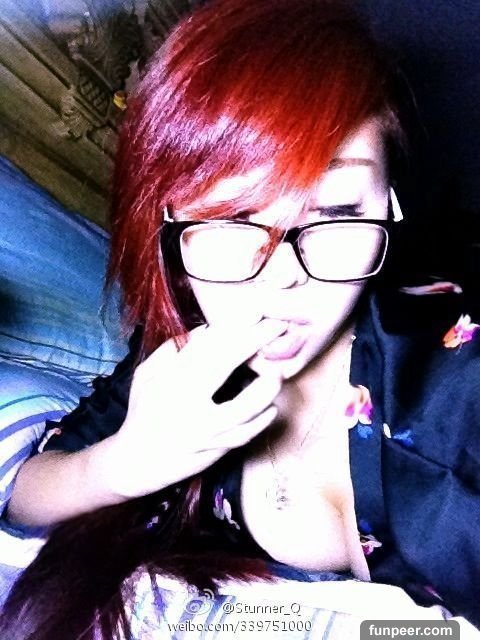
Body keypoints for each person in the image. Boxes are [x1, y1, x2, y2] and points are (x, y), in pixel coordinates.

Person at [1, 0, 480, 637]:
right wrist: (121, 464)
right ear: (168, 219)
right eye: (230, 217)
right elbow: (27, 495)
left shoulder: (459, 383)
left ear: (390, 204)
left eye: (337, 210)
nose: (281, 275)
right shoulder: (184, 349)